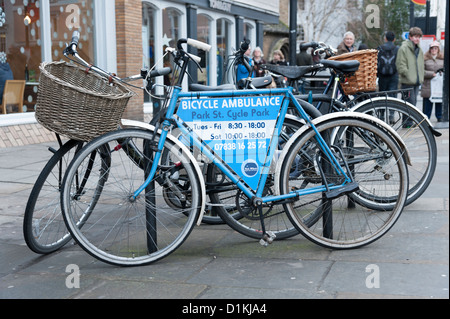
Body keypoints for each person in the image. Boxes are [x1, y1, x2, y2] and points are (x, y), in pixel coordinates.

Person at [396, 27, 424, 127]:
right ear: (410, 37)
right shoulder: (403, 48)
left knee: (413, 102)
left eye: (419, 37)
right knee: (409, 103)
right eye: (415, 36)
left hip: (416, 80)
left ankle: (409, 122)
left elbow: (421, 64)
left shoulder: (419, 49)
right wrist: (407, 74)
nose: (417, 39)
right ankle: (407, 123)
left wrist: (421, 76)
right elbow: (400, 65)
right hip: (407, 81)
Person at [421, 41, 444, 122]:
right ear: (430, 49)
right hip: (428, 85)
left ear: (438, 49)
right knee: (428, 103)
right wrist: (432, 74)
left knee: (439, 101)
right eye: (432, 48)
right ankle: (426, 118)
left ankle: (439, 116)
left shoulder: (442, 59)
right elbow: (421, 71)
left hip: (439, 84)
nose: (434, 50)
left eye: (435, 48)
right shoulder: (425, 59)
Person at [377, 31, 399, 98]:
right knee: (392, 96)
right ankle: (392, 108)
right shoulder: (397, 49)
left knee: (382, 96)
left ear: (385, 39)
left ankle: (382, 108)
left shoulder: (380, 48)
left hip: (382, 76)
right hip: (393, 75)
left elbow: (377, 61)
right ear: (394, 39)